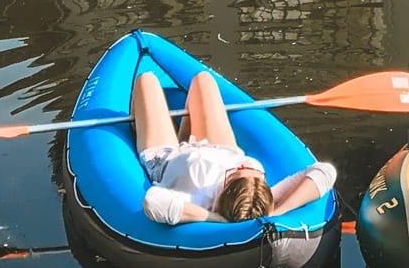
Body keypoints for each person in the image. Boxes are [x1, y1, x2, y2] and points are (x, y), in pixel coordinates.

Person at [132, 69, 335, 225]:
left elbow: (153, 202)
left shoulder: (198, 199)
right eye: (251, 171)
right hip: (220, 148)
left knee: (146, 80)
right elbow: (325, 172)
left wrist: (214, 218)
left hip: (167, 159)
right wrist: (276, 211)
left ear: (222, 193)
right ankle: (185, 133)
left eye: (234, 174)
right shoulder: (261, 195)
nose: (242, 167)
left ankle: (170, 135)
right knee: (203, 79)